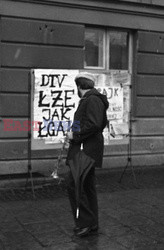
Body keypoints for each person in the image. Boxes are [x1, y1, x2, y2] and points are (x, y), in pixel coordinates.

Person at [66, 72, 109, 237]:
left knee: (74, 184)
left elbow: (93, 124)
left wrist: (74, 135)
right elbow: (94, 123)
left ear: (79, 86)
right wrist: (73, 132)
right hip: (88, 149)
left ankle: (84, 223)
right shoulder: (91, 100)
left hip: (86, 149)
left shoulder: (91, 100)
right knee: (86, 186)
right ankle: (92, 223)